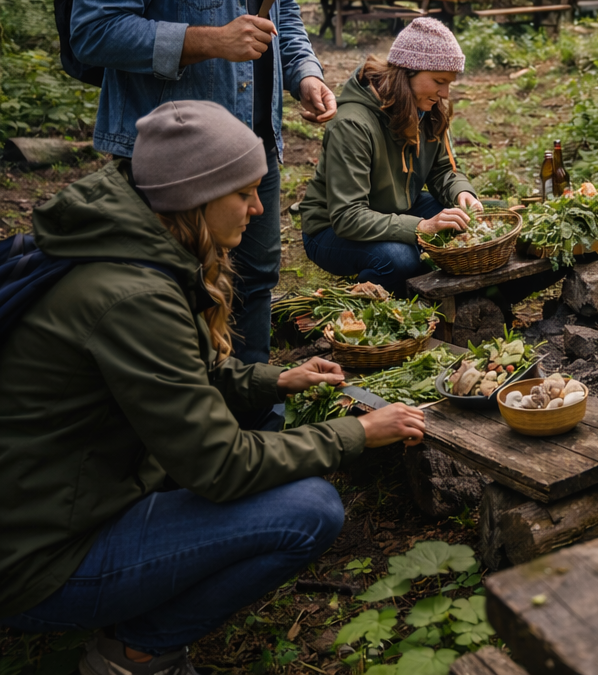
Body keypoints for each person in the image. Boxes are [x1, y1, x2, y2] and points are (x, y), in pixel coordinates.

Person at [0, 101, 426, 675]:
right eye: (244, 192)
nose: (258, 207)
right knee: (309, 509)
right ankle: (136, 653)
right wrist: (356, 431)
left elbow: (179, 375)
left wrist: (276, 380)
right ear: (193, 196)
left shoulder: (129, 246)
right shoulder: (133, 295)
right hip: (40, 562)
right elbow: (219, 464)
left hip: (71, 501)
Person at [71, 0, 339, 366]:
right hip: (172, 168)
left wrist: (305, 74)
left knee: (252, 288)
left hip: (255, 152)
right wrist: (206, 41)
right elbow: (92, 31)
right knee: (171, 303)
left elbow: (285, 13)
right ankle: (187, 438)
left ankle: (256, 430)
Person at [300, 18, 482, 296]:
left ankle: (434, 292)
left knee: (479, 220)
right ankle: (366, 298)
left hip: (397, 208)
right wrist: (421, 227)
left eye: (449, 83)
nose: (445, 93)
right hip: (332, 229)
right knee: (400, 258)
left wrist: (462, 194)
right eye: (438, 81)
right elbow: (348, 216)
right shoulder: (353, 124)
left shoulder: (427, 109)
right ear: (407, 72)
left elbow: (443, 171)